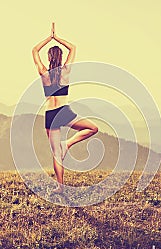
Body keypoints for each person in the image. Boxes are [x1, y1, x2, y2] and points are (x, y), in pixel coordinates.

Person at [32, 23, 98, 193]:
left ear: (48, 57)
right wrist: (57, 38)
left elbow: (34, 50)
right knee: (93, 128)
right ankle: (67, 144)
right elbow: (73, 47)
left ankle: (60, 187)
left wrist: (49, 38)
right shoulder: (66, 71)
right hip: (64, 112)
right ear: (61, 57)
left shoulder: (43, 73)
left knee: (56, 153)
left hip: (50, 114)